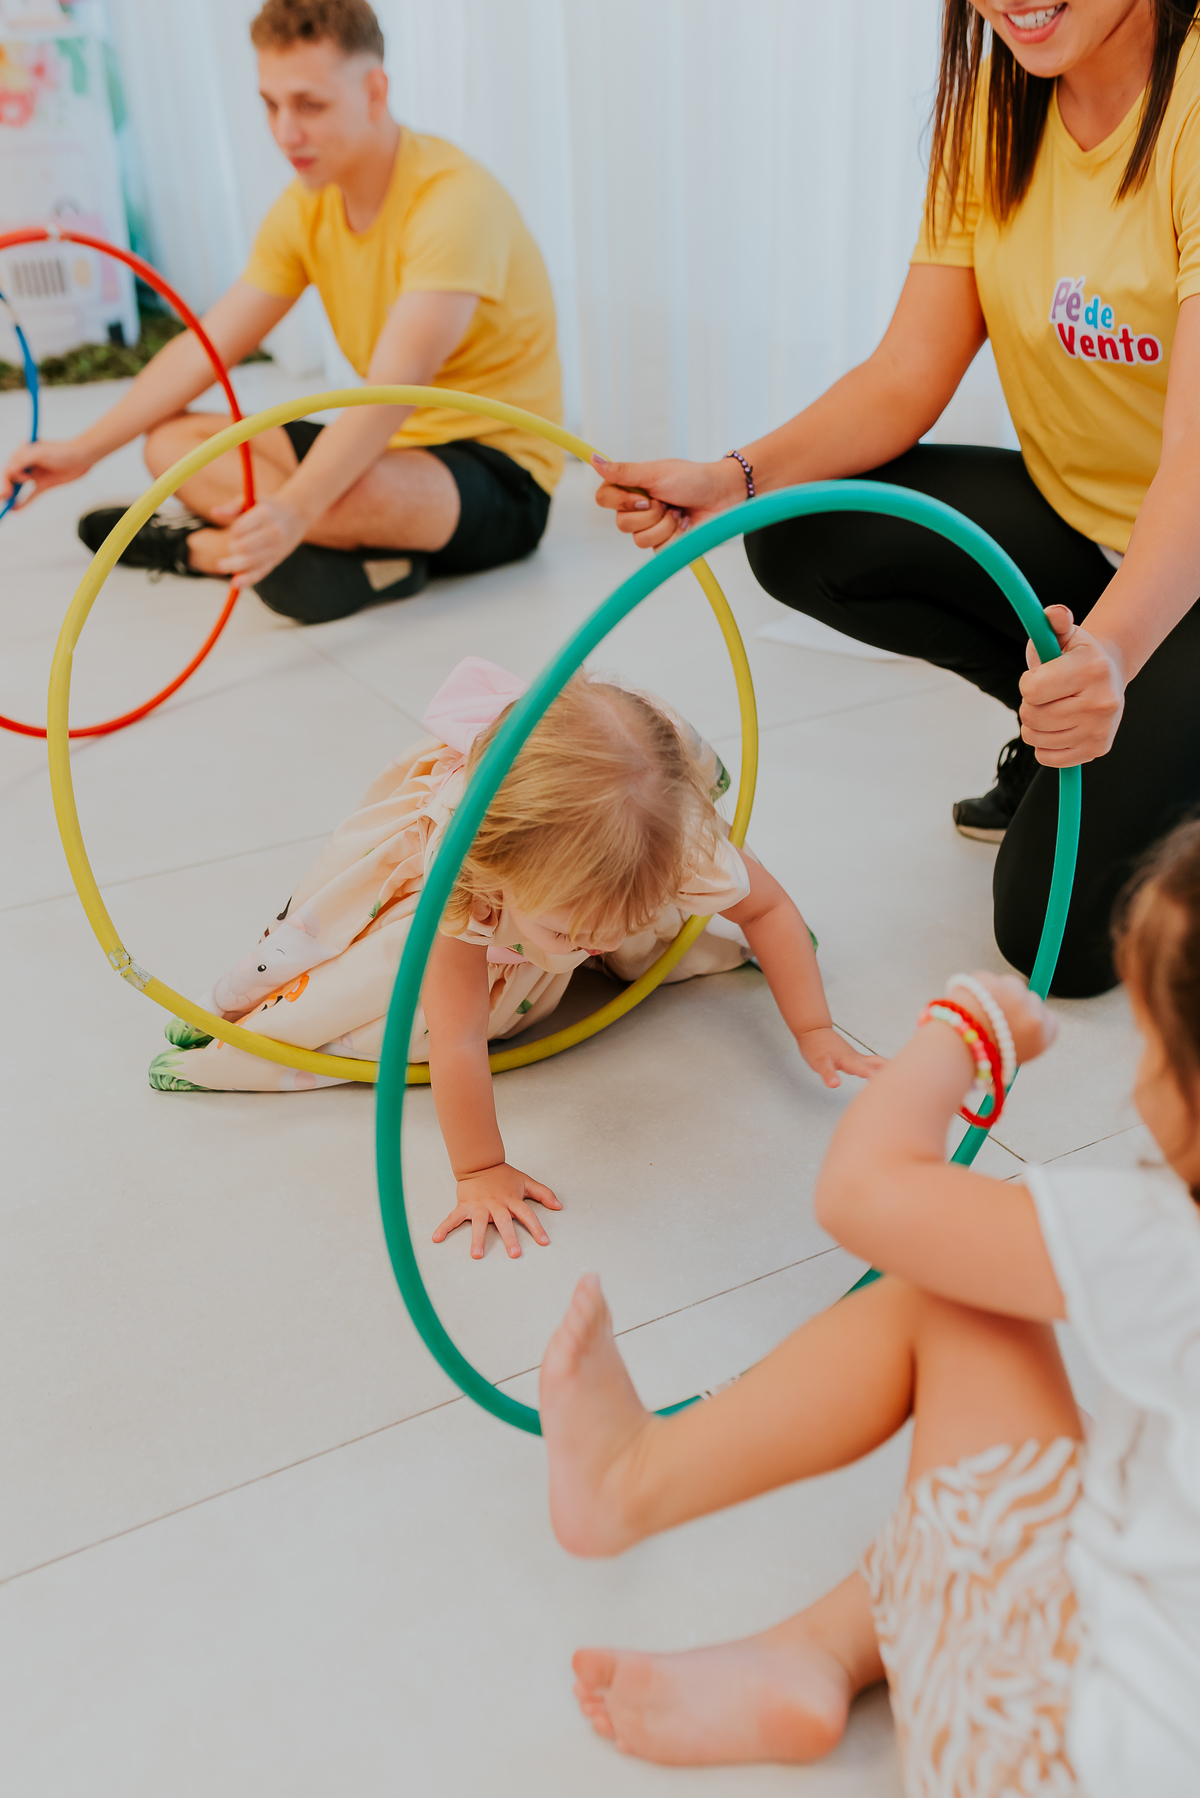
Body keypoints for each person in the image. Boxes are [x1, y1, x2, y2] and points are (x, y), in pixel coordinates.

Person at [539, 816, 1200, 1792]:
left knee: (951, 1301)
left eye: (1156, 1039)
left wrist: (963, 1026)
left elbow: (866, 1192)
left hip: (1046, 1759)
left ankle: (631, 1479)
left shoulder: (1163, 1244)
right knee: (1124, 1451)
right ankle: (816, 1652)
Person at [592, 0, 1200, 998]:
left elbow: (1195, 454)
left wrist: (1113, 653)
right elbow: (905, 376)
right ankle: (1075, 739)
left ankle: (1153, 750)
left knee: (1059, 933)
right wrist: (731, 477)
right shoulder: (997, 108)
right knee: (806, 529)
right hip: (1093, 528)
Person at [152, 655, 881, 1258]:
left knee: (646, 926)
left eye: (612, 925)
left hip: (586, 868)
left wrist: (813, 1029)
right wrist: (480, 1169)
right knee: (388, 1016)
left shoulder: (677, 845)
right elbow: (461, 1037)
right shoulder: (469, 882)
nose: (594, 947)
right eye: (576, 933)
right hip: (470, 903)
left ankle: (597, 921)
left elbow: (769, 909)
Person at [0, 0, 562, 624]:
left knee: (328, 491)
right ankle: (368, 560)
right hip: (383, 451)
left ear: (376, 91)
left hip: (499, 477)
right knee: (170, 446)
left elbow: (388, 395)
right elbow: (206, 346)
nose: (285, 132)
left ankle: (205, 547)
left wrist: (295, 508)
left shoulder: (453, 203)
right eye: (270, 104)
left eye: (309, 105)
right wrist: (82, 449)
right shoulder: (305, 207)